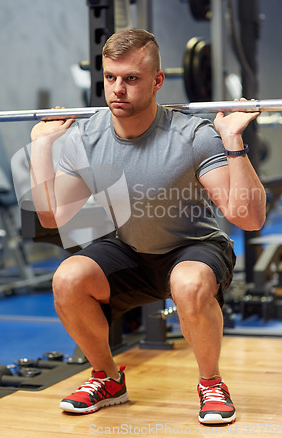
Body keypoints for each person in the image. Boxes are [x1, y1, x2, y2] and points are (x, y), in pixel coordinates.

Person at [30, 29, 266, 425]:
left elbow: (249, 218)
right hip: (129, 250)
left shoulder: (191, 135)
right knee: (67, 278)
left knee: (188, 283)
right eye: (110, 78)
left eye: (132, 79)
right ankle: (107, 378)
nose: (118, 89)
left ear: (157, 81)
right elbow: (51, 217)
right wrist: (42, 146)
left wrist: (232, 140)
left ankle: (211, 383)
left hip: (194, 247)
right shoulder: (86, 138)